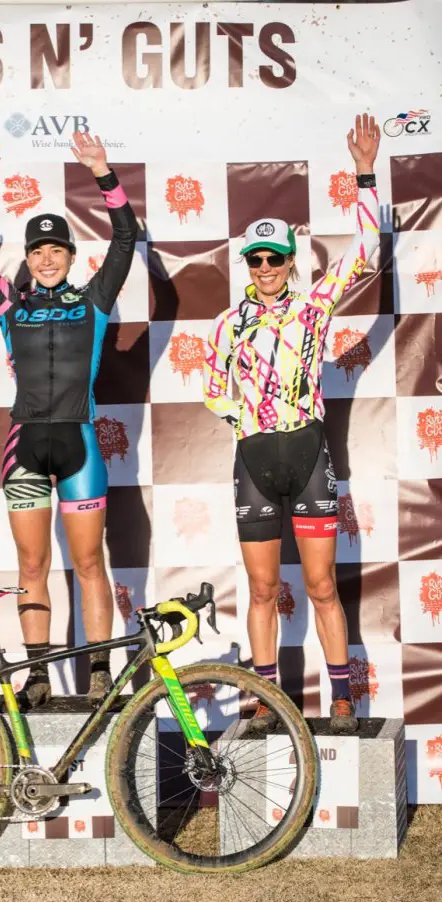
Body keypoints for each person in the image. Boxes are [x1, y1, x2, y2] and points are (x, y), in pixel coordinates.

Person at [203, 114, 381, 734]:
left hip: (308, 458)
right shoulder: (227, 324)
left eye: (274, 257)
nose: (265, 266)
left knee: (321, 584)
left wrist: (364, 174)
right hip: (254, 461)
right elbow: (211, 391)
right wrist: (250, 417)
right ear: (246, 262)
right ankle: (264, 699)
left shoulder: (313, 307)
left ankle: (339, 698)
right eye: (255, 258)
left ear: (289, 260)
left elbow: (367, 255)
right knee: (258, 590)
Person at [0, 134, 138, 707]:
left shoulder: (95, 302)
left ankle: (100, 671)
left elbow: (126, 237)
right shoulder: (10, 302)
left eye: (57, 249)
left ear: (71, 257)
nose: (48, 258)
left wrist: (103, 173)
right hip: (25, 445)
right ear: (28, 259)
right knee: (32, 564)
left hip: (80, 442)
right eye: (38, 251)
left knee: (88, 562)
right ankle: (36, 675)